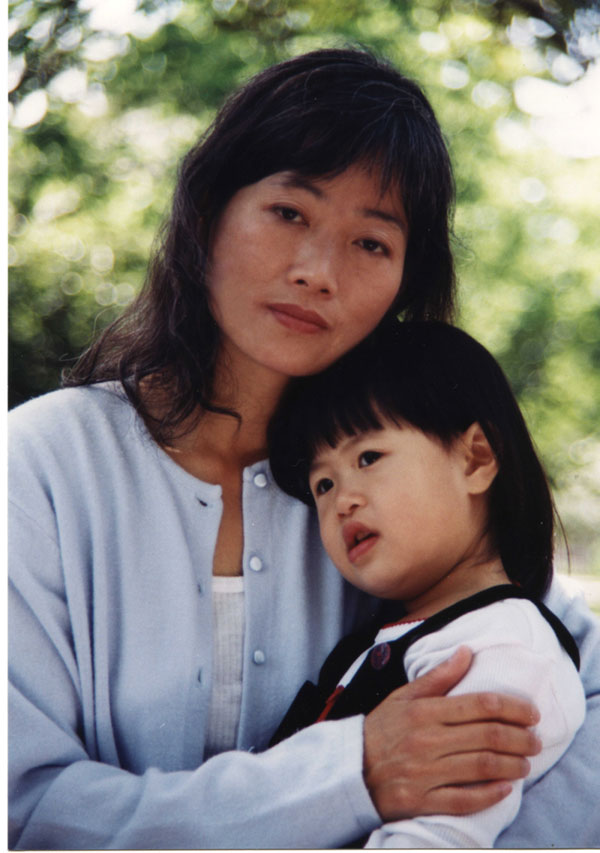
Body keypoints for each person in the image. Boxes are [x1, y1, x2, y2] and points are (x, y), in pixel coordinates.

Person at [7, 48, 599, 849]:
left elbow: (579, 687)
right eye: (289, 212)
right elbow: (23, 807)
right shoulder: (41, 465)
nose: (319, 272)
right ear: (208, 210)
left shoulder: (404, 496)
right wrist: (352, 770)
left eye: (372, 243)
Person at [267, 318, 587, 846]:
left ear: (475, 458)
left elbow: (439, 837)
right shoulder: (377, 638)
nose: (342, 499)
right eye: (323, 484)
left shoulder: (503, 645)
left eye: (368, 457)